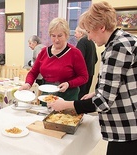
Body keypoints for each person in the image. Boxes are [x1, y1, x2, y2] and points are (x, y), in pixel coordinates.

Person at [48, 2, 137, 155]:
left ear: (101, 27)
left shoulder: (118, 47)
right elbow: (120, 85)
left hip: (128, 128)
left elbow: (103, 102)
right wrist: (96, 93)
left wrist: (65, 105)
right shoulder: (124, 39)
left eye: (89, 31)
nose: (88, 37)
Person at [19, 17, 88, 105]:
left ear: (66, 35)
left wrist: (68, 84)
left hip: (67, 97)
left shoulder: (74, 53)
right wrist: (28, 84)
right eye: (53, 36)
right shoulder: (44, 52)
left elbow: (84, 77)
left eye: (60, 36)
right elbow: (33, 72)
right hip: (47, 96)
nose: (56, 39)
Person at [74, 26, 98, 99]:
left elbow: (78, 59)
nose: (74, 35)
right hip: (90, 73)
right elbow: (96, 59)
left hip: (82, 75)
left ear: (81, 33)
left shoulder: (82, 41)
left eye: (76, 32)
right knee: (84, 96)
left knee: (78, 96)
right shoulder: (91, 42)